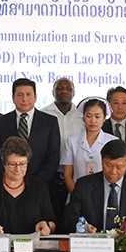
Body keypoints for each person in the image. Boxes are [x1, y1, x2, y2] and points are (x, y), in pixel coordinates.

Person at [0, 136, 56, 235]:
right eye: (12, 164)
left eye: (22, 164)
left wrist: (47, 226)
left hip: (31, 247)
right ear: (4, 164)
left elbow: (52, 222)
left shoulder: (39, 187)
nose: (18, 169)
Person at [63, 139, 126, 232]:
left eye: (119, 167)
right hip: (93, 242)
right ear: (101, 161)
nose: (113, 171)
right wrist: (83, 227)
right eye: (108, 165)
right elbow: (70, 219)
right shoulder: (84, 185)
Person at [0, 78, 61, 187]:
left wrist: (38, 182)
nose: (24, 99)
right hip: (7, 185)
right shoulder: (0, 122)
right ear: (13, 98)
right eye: (20, 95)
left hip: (40, 186)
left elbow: (53, 157)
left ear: (35, 97)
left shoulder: (50, 122)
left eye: (28, 94)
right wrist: (9, 180)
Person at [42, 77, 82, 219]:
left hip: (75, 174)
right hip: (50, 175)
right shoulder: (43, 114)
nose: (64, 91)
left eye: (68, 88)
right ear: (53, 92)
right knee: (50, 215)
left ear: (74, 92)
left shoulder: (82, 116)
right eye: (59, 88)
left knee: (71, 215)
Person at [61, 97, 116, 191]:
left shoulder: (113, 141)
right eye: (89, 116)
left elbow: (115, 173)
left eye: (97, 116)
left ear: (104, 118)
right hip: (77, 192)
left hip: (104, 194)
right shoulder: (72, 141)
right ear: (83, 117)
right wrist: (77, 196)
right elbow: (67, 175)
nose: (93, 121)